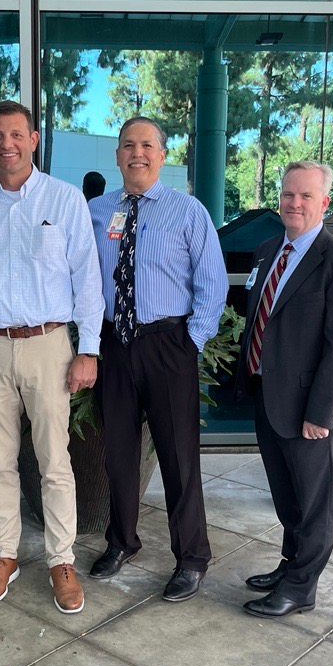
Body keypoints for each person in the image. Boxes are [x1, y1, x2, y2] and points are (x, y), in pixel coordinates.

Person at [0, 100, 104, 614]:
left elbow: (88, 281)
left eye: (16, 134)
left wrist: (89, 349)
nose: (7, 143)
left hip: (48, 345)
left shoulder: (65, 199)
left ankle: (61, 560)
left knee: (55, 461)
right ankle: (4, 554)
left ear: (34, 140)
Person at [88, 116, 229, 602]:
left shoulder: (187, 211)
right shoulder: (97, 211)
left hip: (168, 345)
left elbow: (213, 284)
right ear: (118, 155)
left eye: (147, 145)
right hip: (114, 345)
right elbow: (84, 281)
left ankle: (192, 557)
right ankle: (122, 541)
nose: (137, 153)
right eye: (128, 145)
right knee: (119, 455)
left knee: (178, 459)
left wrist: (191, 342)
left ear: (163, 155)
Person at [236, 160, 333, 618]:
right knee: (287, 495)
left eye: (305, 196)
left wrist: (321, 414)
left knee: (315, 504)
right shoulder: (267, 249)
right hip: (269, 398)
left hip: (311, 410)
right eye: (288, 194)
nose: (294, 203)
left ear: (324, 203)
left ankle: (301, 589)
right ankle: (291, 563)